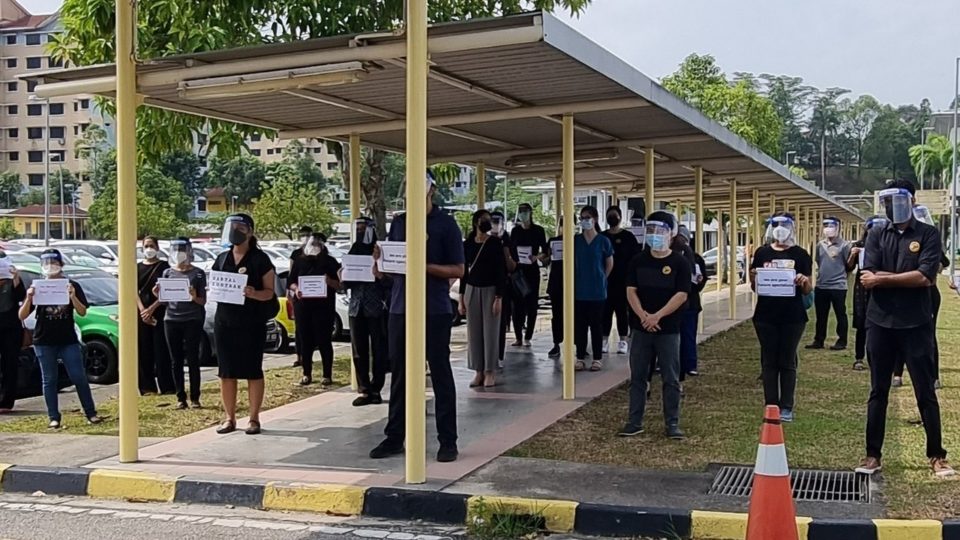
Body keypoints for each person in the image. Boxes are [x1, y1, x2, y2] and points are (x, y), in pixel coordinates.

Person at [857, 181, 953, 477]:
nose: (890, 205)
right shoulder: (875, 233)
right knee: (878, 392)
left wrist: (883, 279)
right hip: (880, 323)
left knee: (925, 391)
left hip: (916, 324)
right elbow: (866, 274)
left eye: (896, 199)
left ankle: (937, 456)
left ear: (911, 201)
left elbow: (925, 277)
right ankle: (873, 455)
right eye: (885, 200)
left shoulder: (928, 234)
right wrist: (901, 276)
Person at [369, 171, 465, 463]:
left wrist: (424, 266)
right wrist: (379, 264)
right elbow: (389, 268)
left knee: (439, 372)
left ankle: (448, 440)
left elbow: (458, 270)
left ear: (431, 189)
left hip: (434, 309)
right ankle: (394, 437)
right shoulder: (399, 222)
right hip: (400, 308)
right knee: (399, 374)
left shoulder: (446, 224)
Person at [620, 212, 691, 439]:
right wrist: (643, 316)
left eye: (659, 231)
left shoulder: (679, 262)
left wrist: (657, 316)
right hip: (641, 329)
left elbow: (681, 294)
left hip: (667, 329)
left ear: (671, 234)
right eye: (650, 230)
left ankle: (672, 423)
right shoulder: (638, 260)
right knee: (638, 376)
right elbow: (631, 291)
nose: (654, 235)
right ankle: (634, 421)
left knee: (670, 377)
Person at [19, 249, 102, 429]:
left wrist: (72, 296)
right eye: (47, 263)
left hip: (68, 339)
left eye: (54, 262)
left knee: (78, 376)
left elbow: (82, 311)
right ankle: (53, 417)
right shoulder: (38, 286)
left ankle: (91, 413)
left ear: (61, 265)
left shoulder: (72, 285)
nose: (51, 266)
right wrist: (29, 298)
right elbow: (22, 315)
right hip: (43, 340)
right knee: (49, 380)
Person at [212, 214, 277, 436]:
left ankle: (253, 418)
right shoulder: (221, 258)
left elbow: (269, 293)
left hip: (251, 323)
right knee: (226, 372)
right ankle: (229, 418)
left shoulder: (260, 259)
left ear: (249, 231)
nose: (235, 231)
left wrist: (253, 293)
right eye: (232, 227)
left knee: (252, 371)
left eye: (240, 227)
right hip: (225, 322)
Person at [749, 213, 813, 423]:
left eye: (785, 225)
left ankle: (786, 405)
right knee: (769, 361)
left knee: (787, 361)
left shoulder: (801, 254)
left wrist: (803, 281)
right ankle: (771, 405)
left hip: (792, 317)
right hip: (765, 316)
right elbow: (755, 286)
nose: (780, 229)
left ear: (792, 228)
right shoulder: (762, 253)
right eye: (776, 225)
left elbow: (807, 289)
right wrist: (753, 277)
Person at [892, 205, 948, 389]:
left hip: (927, 292)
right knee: (898, 331)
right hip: (903, 291)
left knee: (928, 334)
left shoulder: (930, 239)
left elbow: (941, 264)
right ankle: (897, 373)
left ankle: (933, 375)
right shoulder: (899, 240)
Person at [342, 217, 389, 406]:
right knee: (358, 350)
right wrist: (343, 276)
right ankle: (364, 390)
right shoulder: (353, 250)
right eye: (358, 229)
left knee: (378, 349)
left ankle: (376, 389)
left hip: (376, 306)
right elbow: (346, 282)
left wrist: (379, 273)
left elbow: (390, 282)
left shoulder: (380, 250)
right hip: (356, 307)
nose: (361, 232)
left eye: (364, 229)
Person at [460, 209, 507, 388]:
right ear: (475, 222)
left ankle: (490, 371)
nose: (487, 223)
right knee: (474, 332)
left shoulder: (495, 243)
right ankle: (478, 371)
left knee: (491, 332)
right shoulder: (468, 244)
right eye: (483, 220)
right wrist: (462, 296)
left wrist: (499, 297)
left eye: (489, 220)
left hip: (490, 290)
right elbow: (464, 272)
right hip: (472, 289)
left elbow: (500, 271)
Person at [158, 238, 207, 409]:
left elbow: (202, 301)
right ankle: (180, 397)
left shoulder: (198, 273)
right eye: (176, 249)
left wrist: (194, 296)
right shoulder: (167, 273)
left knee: (193, 358)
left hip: (192, 319)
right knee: (175, 360)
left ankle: (195, 397)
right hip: (171, 319)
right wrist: (158, 293)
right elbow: (164, 302)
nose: (179, 253)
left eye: (182, 249)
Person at [289, 233, 342, 387]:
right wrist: (296, 289)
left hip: (324, 308)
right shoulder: (299, 261)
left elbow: (340, 285)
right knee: (305, 341)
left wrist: (329, 281)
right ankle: (306, 374)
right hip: (303, 307)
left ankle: (327, 375)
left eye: (317, 243)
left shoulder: (330, 262)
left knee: (324, 340)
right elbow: (291, 282)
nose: (314, 246)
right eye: (311, 243)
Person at [573, 205, 614, 371]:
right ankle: (580, 357)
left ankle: (597, 358)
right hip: (579, 290)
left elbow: (609, 263)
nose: (585, 221)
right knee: (580, 326)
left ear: (595, 219)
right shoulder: (576, 240)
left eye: (587, 217)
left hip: (597, 291)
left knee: (596, 325)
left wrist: (602, 277)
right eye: (582, 218)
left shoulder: (603, 241)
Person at [806, 217, 853, 351]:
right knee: (821, 315)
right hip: (822, 285)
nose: (828, 228)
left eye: (832, 225)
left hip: (838, 286)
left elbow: (848, 265)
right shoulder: (820, 245)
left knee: (840, 314)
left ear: (839, 227)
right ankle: (818, 340)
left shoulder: (844, 245)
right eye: (826, 225)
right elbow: (818, 262)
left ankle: (842, 341)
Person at [849, 216, 888, 372]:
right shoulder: (859, 245)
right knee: (862, 323)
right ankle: (859, 357)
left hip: (882, 285)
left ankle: (881, 359)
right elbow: (848, 267)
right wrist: (853, 254)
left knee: (882, 323)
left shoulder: (888, 245)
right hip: (863, 287)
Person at [137, 236, 173, 395]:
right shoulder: (136, 267)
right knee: (144, 351)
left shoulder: (164, 267)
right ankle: (147, 387)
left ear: (157, 247)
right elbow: (133, 291)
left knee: (162, 350)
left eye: (152, 245)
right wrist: (143, 310)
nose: (149, 249)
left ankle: (167, 386)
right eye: (146, 246)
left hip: (160, 310)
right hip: (141, 313)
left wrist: (152, 308)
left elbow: (167, 291)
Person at [601, 206, 640, 355]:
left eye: (615, 215)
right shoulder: (602, 236)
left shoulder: (628, 237)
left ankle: (623, 339)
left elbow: (635, 259)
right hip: (606, 280)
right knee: (606, 311)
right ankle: (604, 339)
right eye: (610, 215)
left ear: (620, 217)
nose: (612, 218)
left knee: (622, 311)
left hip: (624, 281)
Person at [510, 203, 548, 347]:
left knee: (531, 305)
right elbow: (511, 249)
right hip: (518, 272)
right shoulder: (515, 231)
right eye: (520, 212)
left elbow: (545, 250)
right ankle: (518, 336)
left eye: (525, 212)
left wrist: (536, 257)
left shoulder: (538, 230)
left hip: (532, 271)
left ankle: (528, 336)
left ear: (530, 213)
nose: (522, 214)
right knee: (517, 306)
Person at [675, 226, 707, 377]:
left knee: (688, 335)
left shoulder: (696, 258)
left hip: (690, 303)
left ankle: (690, 364)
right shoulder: (670, 256)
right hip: (672, 304)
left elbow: (702, 280)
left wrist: (698, 282)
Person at [490, 211, 517, 367]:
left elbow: (513, 266)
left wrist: (506, 252)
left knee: (500, 323)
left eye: (497, 221)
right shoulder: (482, 240)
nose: (495, 224)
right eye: (492, 221)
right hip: (485, 284)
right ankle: (486, 357)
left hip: (502, 286)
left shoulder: (506, 240)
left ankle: (499, 355)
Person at [0, 252, 25, 413]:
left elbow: (21, 297)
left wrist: (16, 278)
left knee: (9, 365)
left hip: (11, 330)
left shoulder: (12, 283)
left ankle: (6, 402)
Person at [289, 225, 313, 368]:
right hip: (298, 294)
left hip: (316, 297)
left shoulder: (318, 252)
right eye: (303, 234)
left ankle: (308, 356)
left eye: (308, 234)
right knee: (299, 329)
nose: (305, 237)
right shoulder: (296, 254)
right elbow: (291, 274)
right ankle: (299, 356)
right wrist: (290, 293)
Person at [545, 221, 564, 359]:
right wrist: (548, 255)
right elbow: (545, 261)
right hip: (556, 282)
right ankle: (556, 343)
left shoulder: (577, 241)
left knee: (575, 315)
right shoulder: (553, 241)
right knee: (557, 315)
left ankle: (577, 343)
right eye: (561, 224)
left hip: (572, 282)